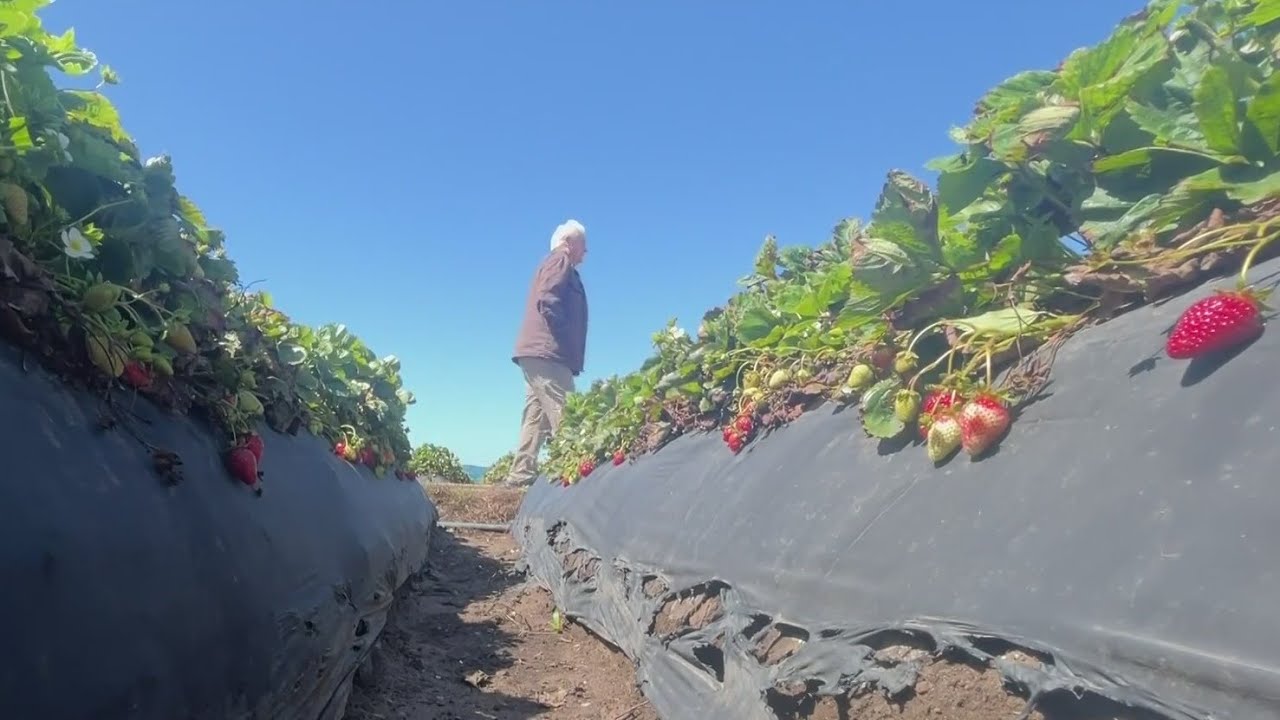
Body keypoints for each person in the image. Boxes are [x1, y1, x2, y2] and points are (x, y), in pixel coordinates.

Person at [504, 219, 589, 486]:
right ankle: (574, 474)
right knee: (567, 413)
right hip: (548, 353)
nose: (585, 252)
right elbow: (547, 299)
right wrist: (563, 336)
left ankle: (521, 473)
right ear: (569, 243)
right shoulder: (559, 261)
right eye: (583, 245)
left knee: (536, 415)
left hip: (537, 353)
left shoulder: (557, 263)